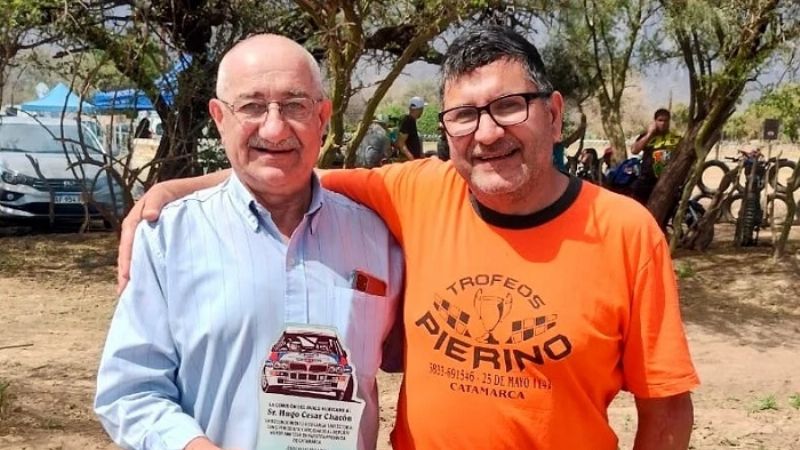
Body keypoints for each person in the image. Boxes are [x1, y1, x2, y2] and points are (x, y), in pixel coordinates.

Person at [117, 26, 698, 449]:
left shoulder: (625, 233)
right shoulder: (420, 191)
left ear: (553, 112)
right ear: (444, 130)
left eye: (508, 106)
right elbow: (285, 165)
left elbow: (667, 410)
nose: (487, 132)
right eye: (464, 116)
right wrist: (175, 190)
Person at [95, 34, 403, 450]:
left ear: (322, 116)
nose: (274, 128)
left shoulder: (378, 239)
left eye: (295, 105)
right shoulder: (169, 238)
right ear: (220, 117)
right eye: (253, 107)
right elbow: (130, 390)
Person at [630, 108, 682, 205]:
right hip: (646, 181)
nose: (663, 123)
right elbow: (634, 150)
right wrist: (649, 134)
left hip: (666, 182)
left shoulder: (676, 139)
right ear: (655, 121)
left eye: (666, 120)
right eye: (660, 120)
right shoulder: (646, 136)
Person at [395, 96, 426, 160]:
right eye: (422, 109)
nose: (422, 111)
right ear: (419, 109)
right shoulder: (408, 120)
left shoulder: (411, 120)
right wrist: (411, 157)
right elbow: (401, 143)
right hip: (409, 161)